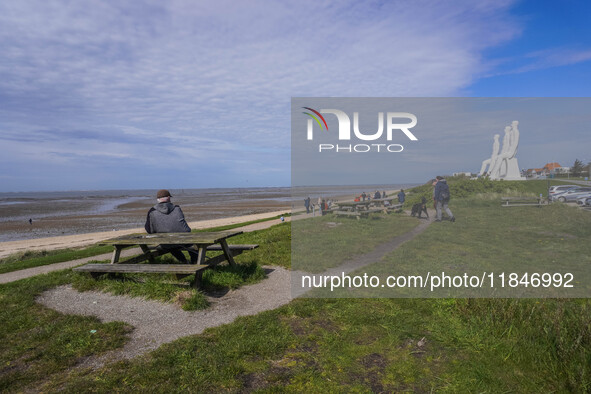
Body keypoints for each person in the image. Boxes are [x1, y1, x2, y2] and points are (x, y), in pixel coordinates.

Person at [144, 189, 197, 263]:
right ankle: (195, 262)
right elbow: (183, 225)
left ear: (158, 199)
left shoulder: (152, 211)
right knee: (191, 244)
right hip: (184, 239)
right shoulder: (177, 208)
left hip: (166, 242)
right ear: (168, 197)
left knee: (170, 245)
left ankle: (184, 261)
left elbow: (149, 230)